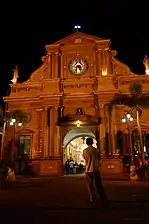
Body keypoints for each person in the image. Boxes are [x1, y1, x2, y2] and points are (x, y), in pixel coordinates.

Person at [83, 137, 107, 204]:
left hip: (88, 170)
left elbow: (85, 158)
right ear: (92, 142)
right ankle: (101, 197)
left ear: (86, 143)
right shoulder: (97, 150)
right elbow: (99, 158)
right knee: (98, 184)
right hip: (96, 169)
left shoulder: (85, 150)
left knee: (90, 185)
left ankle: (92, 198)